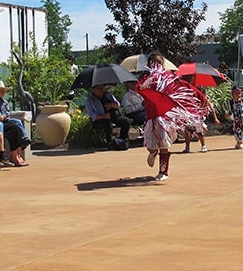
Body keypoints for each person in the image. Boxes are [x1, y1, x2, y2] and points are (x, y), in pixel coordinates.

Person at [137, 52, 208, 181]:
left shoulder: (168, 77)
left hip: (165, 116)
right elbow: (139, 88)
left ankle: (163, 172)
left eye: (160, 62)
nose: (157, 65)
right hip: (151, 116)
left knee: (164, 145)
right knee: (150, 145)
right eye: (154, 62)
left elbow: (183, 85)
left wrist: (200, 97)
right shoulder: (145, 77)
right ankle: (153, 152)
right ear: (149, 64)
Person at [0, 80, 33, 155]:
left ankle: (25, 138)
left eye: (3, 91)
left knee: (17, 121)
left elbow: (8, 111)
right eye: (1, 91)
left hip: (5, 119)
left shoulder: (4, 102)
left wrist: (5, 116)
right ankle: (0, 142)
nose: (3, 93)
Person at [85, 84, 132, 150]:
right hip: (101, 119)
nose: (101, 90)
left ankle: (121, 140)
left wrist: (112, 105)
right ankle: (110, 143)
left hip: (113, 116)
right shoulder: (90, 100)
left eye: (102, 88)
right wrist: (104, 116)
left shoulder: (108, 95)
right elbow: (92, 115)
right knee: (107, 122)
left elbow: (117, 104)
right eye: (98, 89)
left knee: (126, 121)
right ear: (93, 90)